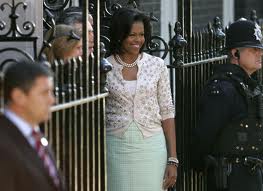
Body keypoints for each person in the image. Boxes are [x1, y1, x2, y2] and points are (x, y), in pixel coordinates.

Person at [106, 8, 178, 191]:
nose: (138, 40)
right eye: (132, 35)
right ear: (120, 35)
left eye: (141, 34)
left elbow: (167, 111)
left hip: (152, 146)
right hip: (116, 146)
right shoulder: (105, 67)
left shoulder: (157, 65)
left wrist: (173, 158)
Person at [191, 18, 263, 191]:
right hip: (231, 179)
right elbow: (204, 136)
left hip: (252, 176)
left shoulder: (249, 84)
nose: (260, 53)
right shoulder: (223, 89)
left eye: (260, 49)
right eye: (254, 49)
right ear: (235, 53)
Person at [0, 59, 65, 191]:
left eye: (51, 92)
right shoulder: (3, 145)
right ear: (18, 96)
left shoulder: (35, 135)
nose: (53, 100)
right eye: (44, 93)